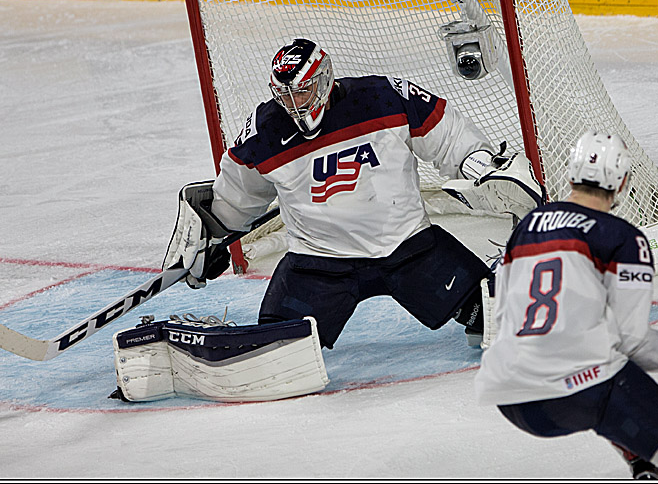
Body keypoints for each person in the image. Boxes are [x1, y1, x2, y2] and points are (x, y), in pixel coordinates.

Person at [161, 37, 543, 350]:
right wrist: (215, 234)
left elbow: (449, 136)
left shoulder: (381, 97)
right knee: (277, 349)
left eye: (305, 91)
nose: (296, 104)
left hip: (410, 249)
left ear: (324, 79)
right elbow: (236, 196)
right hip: (318, 266)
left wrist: (478, 162)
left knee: (496, 312)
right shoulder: (264, 132)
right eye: (287, 95)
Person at [475, 130, 658, 479]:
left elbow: (502, 314)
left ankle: (643, 460)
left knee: (611, 388)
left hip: (508, 390)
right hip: (574, 385)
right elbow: (631, 339)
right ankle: (654, 452)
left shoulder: (526, 227)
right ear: (622, 184)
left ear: (571, 175)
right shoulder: (622, 238)